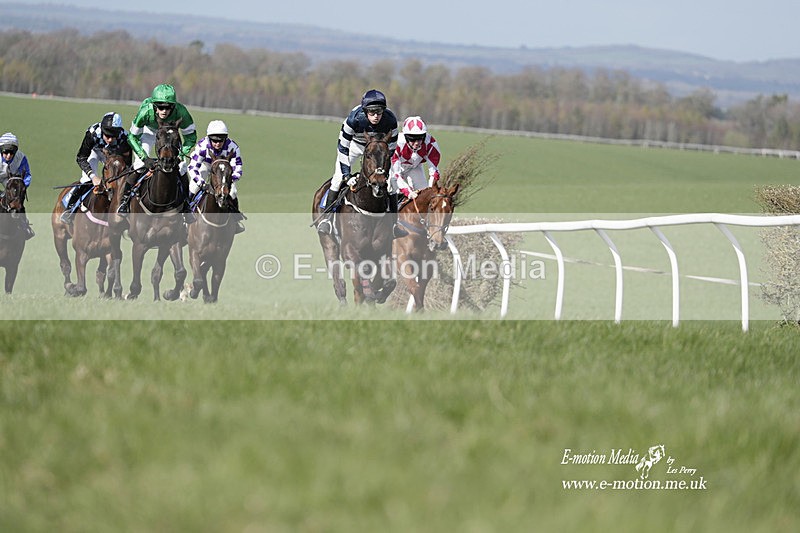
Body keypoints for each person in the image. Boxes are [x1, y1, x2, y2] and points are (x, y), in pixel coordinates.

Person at [316, 88, 399, 235]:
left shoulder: (391, 120)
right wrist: (347, 175)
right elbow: (342, 148)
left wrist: (385, 171)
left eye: (379, 112)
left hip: (378, 150)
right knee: (337, 178)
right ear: (365, 110)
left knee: (392, 182)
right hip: (354, 146)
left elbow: (390, 151)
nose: (376, 116)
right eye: (372, 112)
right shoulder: (354, 119)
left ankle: (394, 225)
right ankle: (326, 220)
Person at [118, 83, 197, 216]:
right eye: (160, 107)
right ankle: (124, 201)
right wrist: (144, 157)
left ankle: (186, 204)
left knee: (183, 167)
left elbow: (191, 137)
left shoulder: (182, 112)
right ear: (154, 106)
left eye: (168, 107)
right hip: (150, 133)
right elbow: (132, 136)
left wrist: (181, 155)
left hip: (171, 137)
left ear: (174, 106)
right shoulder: (145, 111)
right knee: (138, 165)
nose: (164, 111)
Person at [62, 112, 131, 224]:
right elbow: (81, 158)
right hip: (94, 151)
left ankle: (124, 207)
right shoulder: (92, 133)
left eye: (113, 137)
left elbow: (127, 165)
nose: (109, 140)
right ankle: (70, 208)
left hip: (112, 156)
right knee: (86, 179)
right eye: (107, 136)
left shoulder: (125, 138)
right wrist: (93, 176)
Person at [187, 120, 245, 233]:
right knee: (193, 187)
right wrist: (200, 182)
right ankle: (185, 214)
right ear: (209, 138)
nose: (217, 144)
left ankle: (235, 219)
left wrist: (228, 180)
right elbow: (193, 167)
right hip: (206, 165)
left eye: (221, 141)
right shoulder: (202, 146)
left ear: (226, 139)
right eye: (214, 141)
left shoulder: (233, 147)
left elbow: (237, 168)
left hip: (223, 169)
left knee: (233, 192)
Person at [391, 116, 442, 201]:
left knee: (425, 196)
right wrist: (408, 192)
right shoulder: (397, 143)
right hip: (395, 168)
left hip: (415, 167)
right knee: (392, 190)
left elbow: (434, 171)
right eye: (413, 139)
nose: (417, 143)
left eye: (420, 139)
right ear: (406, 137)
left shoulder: (430, 143)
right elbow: (396, 174)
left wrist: (429, 190)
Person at [0, 132, 35, 239]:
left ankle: (24, 225)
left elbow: (27, 174)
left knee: (17, 200)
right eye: (6, 153)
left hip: (11, 180)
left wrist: (22, 186)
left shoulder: (21, 158)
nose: (9, 156)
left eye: (12, 153)